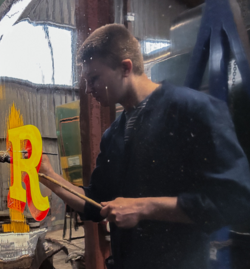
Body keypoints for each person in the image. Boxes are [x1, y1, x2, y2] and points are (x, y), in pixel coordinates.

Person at [37, 24, 250, 269]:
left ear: (125, 68)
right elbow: (95, 203)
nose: (88, 89)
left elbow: (236, 200)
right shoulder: (114, 134)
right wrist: (48, 176)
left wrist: (143, 207)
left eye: (94, 78)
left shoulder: (193, 110)